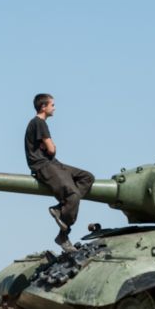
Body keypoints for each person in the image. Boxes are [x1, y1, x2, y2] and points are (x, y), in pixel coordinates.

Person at [25, 93, 95, 252]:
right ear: (43, 107)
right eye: (52, 105)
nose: (54, 108)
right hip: (42, 165)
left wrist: (50, 149)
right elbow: (51, 149)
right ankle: (63, 231)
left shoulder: (39, 123)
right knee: (73, 195)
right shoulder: (39, 123)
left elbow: (49, 149)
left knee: (87, 177)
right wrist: (52, 148)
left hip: (51, 163)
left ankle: (61, 210)